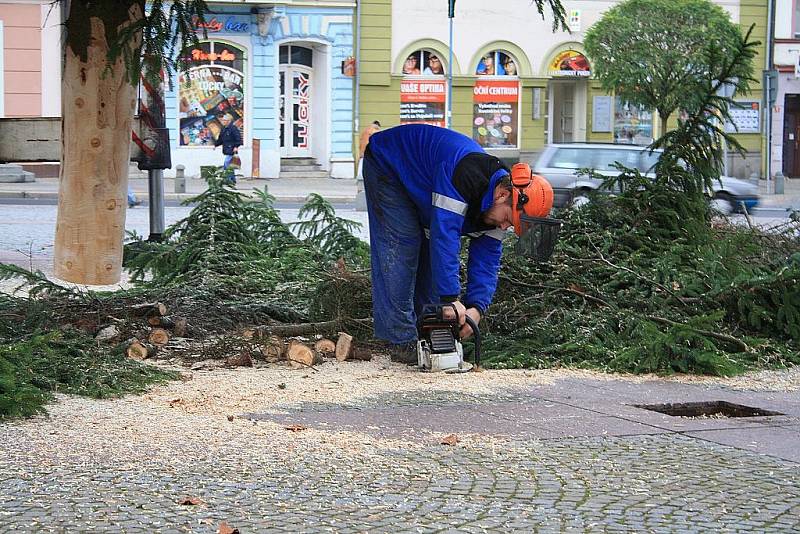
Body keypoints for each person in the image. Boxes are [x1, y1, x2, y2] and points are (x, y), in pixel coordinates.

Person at [362, 124, 553, 363]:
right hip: (389, 164)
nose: (505, 227)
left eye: (511, 225)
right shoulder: (466, 174)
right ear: (502, 195)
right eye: (507, 219)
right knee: (402, 248)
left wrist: (476, 308)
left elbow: (487, 261)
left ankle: (425, 335)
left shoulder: (500, 203)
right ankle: (401, 341)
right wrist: (451, 298)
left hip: (422, 183)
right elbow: (445, 237)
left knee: (432, 268)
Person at [214, 114, 243, 183]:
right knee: (229, 165)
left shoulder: (233, 128)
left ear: (229, 121)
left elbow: (238, 139)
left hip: (232, 148)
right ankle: (232, 179)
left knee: (227, 163)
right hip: (226, 148)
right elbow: (221, 139)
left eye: (224, 120)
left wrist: (236, 146)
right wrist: (216, 145)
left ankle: (228, 179)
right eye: (223, 120)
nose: (223, 121)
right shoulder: (224, 128)